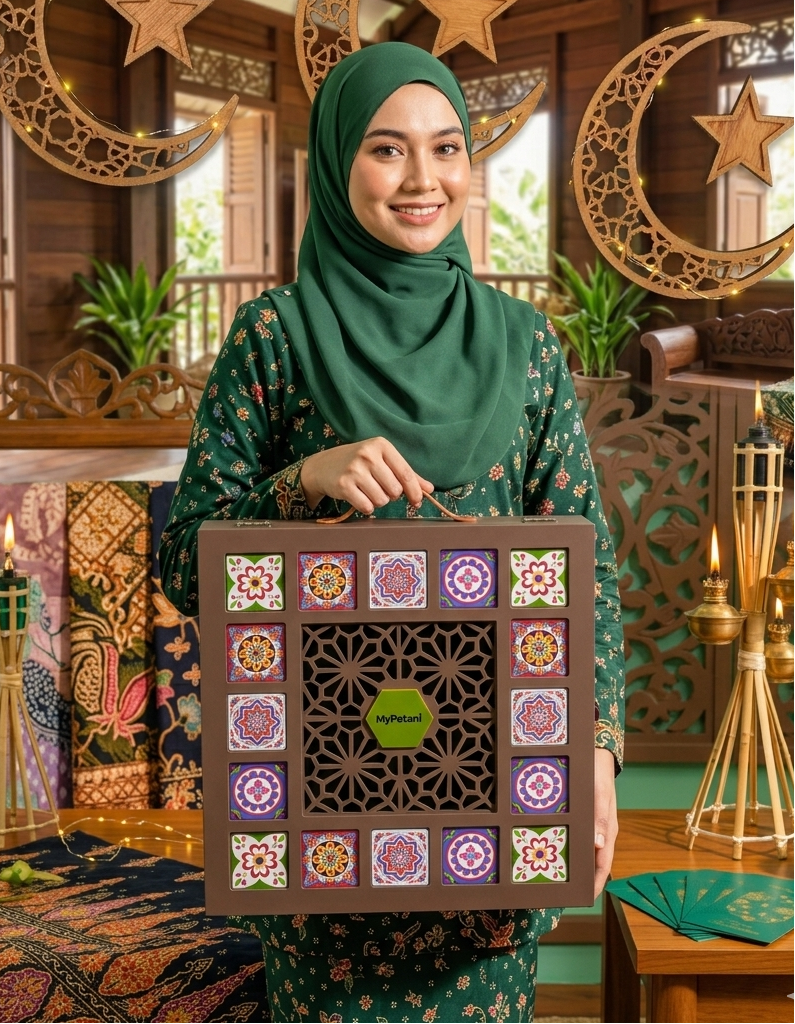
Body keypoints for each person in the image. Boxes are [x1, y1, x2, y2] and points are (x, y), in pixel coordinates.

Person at [160, 41, 624, 1024]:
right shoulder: (274, 338)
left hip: (494, 809)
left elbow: (589, 577)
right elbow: (184, 567)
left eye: (447, 148)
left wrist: (594, 752)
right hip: (321, 821)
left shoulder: (526, 344)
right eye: (385, 150)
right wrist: (296, 484)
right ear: (336, 167)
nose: (424, 180)